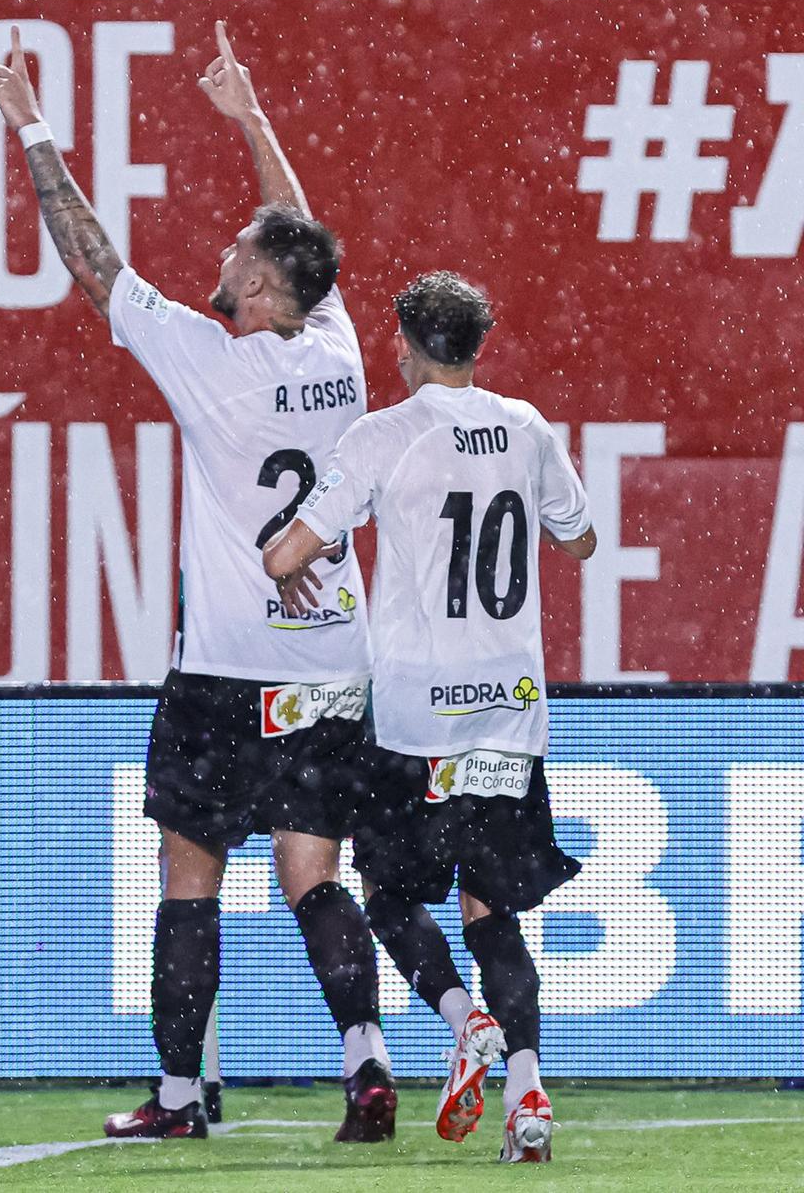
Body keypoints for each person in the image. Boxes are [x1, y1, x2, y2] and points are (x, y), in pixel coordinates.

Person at [0, 23, 394, 1142]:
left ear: (256, 288)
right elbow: (303, 243)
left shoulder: (209, 362)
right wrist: (250, 119)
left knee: (188, 874)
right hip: (327, 663)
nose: (220, 252)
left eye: (235, 251)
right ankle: (364, 1063)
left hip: (222, 663)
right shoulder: (338, 350)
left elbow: (90, 262)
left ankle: (174, 1097)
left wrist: (29, 124)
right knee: (313, 874)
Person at [263, 271, 597, 1163]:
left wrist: (294, 546)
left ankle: (464, 1017)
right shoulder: (525, 427)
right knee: (494, 911)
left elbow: (291, 548)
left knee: (388, 894)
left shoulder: (385, 436)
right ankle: (528, 1101)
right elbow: (581, 538)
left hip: (417, 720)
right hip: (510, 710)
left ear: (406, 344)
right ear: (477, 347)